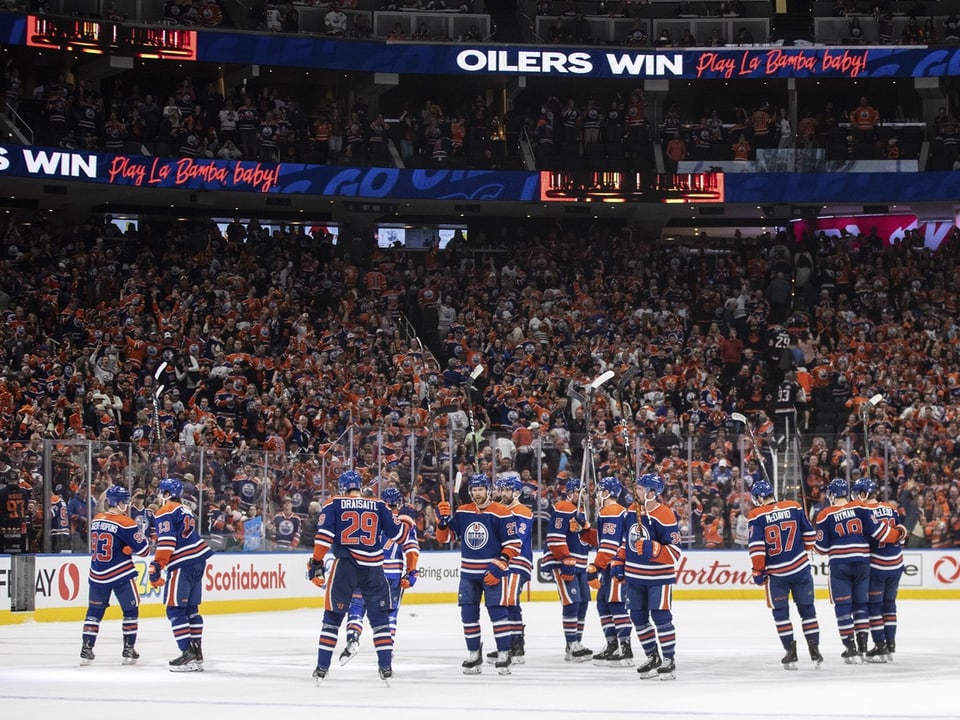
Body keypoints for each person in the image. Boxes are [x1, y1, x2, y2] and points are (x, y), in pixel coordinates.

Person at [307, 470, 414, 682]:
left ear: (342, 488)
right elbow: (400, 536)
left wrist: (316, 563)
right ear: (360, 486)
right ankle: (385, 667)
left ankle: (322, 667)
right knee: (380, 620)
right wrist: (405, 521)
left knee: (332, 618)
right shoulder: (379, 505)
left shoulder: (334, 504)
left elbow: (322, 540)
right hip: (374, 569)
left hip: (345, 567)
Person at [436, 473, 521, 675]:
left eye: (481, 489)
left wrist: (500, 564)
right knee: (468, 615)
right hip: (468, 574)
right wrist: (442, 522)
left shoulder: (501, 512)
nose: (477, 493)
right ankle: (474, 654)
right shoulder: (464, 511)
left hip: (492, 573)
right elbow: (447, 537)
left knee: (498, 614)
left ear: (488, 490)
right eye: (474, 490)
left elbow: (513, 544)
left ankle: (504, 653)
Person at [814, 478, 906, 662]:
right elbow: (880, 531)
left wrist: (814, 542)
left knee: (844, 607)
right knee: (864, 606)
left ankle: (851, 647)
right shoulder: (860, 508)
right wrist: (900, 533)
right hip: (867, 562)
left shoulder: (825, 514)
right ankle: (866, 647)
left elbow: (821, 549)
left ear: (832, 495)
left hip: (845, 565)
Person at [746, 478, 822, 670]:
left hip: (777, 575)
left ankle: (790, 651)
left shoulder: (756, 515)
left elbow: (757, 548)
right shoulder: (794, 507)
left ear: (758, 498)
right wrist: (800, 550)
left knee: (781, 614)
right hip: (800, 569)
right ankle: (814, 649)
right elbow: (810, 536)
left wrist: (758, 571)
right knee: (807, 610)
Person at [339, 486, 420, 665]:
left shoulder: (372, 517)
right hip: (392, 576)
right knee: (389, 614)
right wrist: (412, 572)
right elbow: (412, 550)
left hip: (369, 570)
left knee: (357, 606)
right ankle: (387, 648)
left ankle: (353, 637)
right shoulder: (405, 522)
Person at [148, 477, 214, 672]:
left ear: (167, 494)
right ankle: (197, 652)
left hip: (182, 563)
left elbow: (167, 542)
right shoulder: (185, 509)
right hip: (198, 559)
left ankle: (187, 654)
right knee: (191, 609)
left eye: (161, 492)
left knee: (175, 610)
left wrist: (157, 565)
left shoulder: (164, 511)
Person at [80, 485, 150, 666]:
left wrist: (124, 545)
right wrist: (129, 547)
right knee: (131, 610)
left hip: (97, 573)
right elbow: (143, 550)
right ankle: (128, 648)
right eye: (124, 501)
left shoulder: (96, 519)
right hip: (121, 573)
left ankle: (86, 648)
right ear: (116, 502)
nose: (127, 505)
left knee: (94, 613)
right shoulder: (126, 522)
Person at [621, 472, 681, 680]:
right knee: (637, 617)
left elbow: (675, 552)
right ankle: (652, 656)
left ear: (652, 493)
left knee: (661, 617)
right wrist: (619, 564)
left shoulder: (665, 514)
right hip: (634, 577)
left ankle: (668, 659)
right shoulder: (631, 512)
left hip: (658, 578)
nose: (635, 491)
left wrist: (652, 548)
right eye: (636, 487)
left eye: (639, 488)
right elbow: (624, 543)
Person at [544, 477, 596, 663]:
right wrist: (565, 558)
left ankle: (576, 644)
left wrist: (585, 527)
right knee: (572, 603)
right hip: (565, 563)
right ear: (569, 493)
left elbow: (590, 542)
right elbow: (554, 537)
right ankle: (571, 643)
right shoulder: (564, 508)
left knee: (582, 603)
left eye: (584, 493)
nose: (582, 496)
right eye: (578, 492)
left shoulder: (581, 512)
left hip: (580, 564)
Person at [853, 477, 903, 662]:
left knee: (874, 606)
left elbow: (868, 536)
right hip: (897, 563)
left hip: (878, 565)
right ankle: (890, 645)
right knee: (889, 605)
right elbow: (901, 537)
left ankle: (880, 645)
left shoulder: (863, 512)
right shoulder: (891, 508)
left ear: (862, 494)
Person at [484, 473, 533, 665]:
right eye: (501, 489)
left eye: (506, 490)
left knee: (508, 601)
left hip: (516, 561)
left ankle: (515, 644)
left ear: (517, 492)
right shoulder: (503, 510)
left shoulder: (521, 511)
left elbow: (516, 540)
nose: (502, 493)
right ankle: (514, 644)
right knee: (509, 601)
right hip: (507, 562)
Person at [587, 476, 633, 667]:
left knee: (616, 604)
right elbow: (601, 540)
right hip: (610, 565)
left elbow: (610, 545)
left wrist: (595, 566)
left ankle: (625, 647)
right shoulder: (610, 511)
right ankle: (613, 644)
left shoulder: (611, 510)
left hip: (616, 565)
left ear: (607, 493)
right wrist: (585, 529)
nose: (596, 495)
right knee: (604, 604)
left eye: (599, 491)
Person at [0, 452, 28, 554]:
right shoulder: (23, 492)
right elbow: (25, 506)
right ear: (17, 480)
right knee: (21, 547)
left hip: (6, 523)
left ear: (7, 479)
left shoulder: (2, 492)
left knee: (4, 548)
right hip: (20, 522)